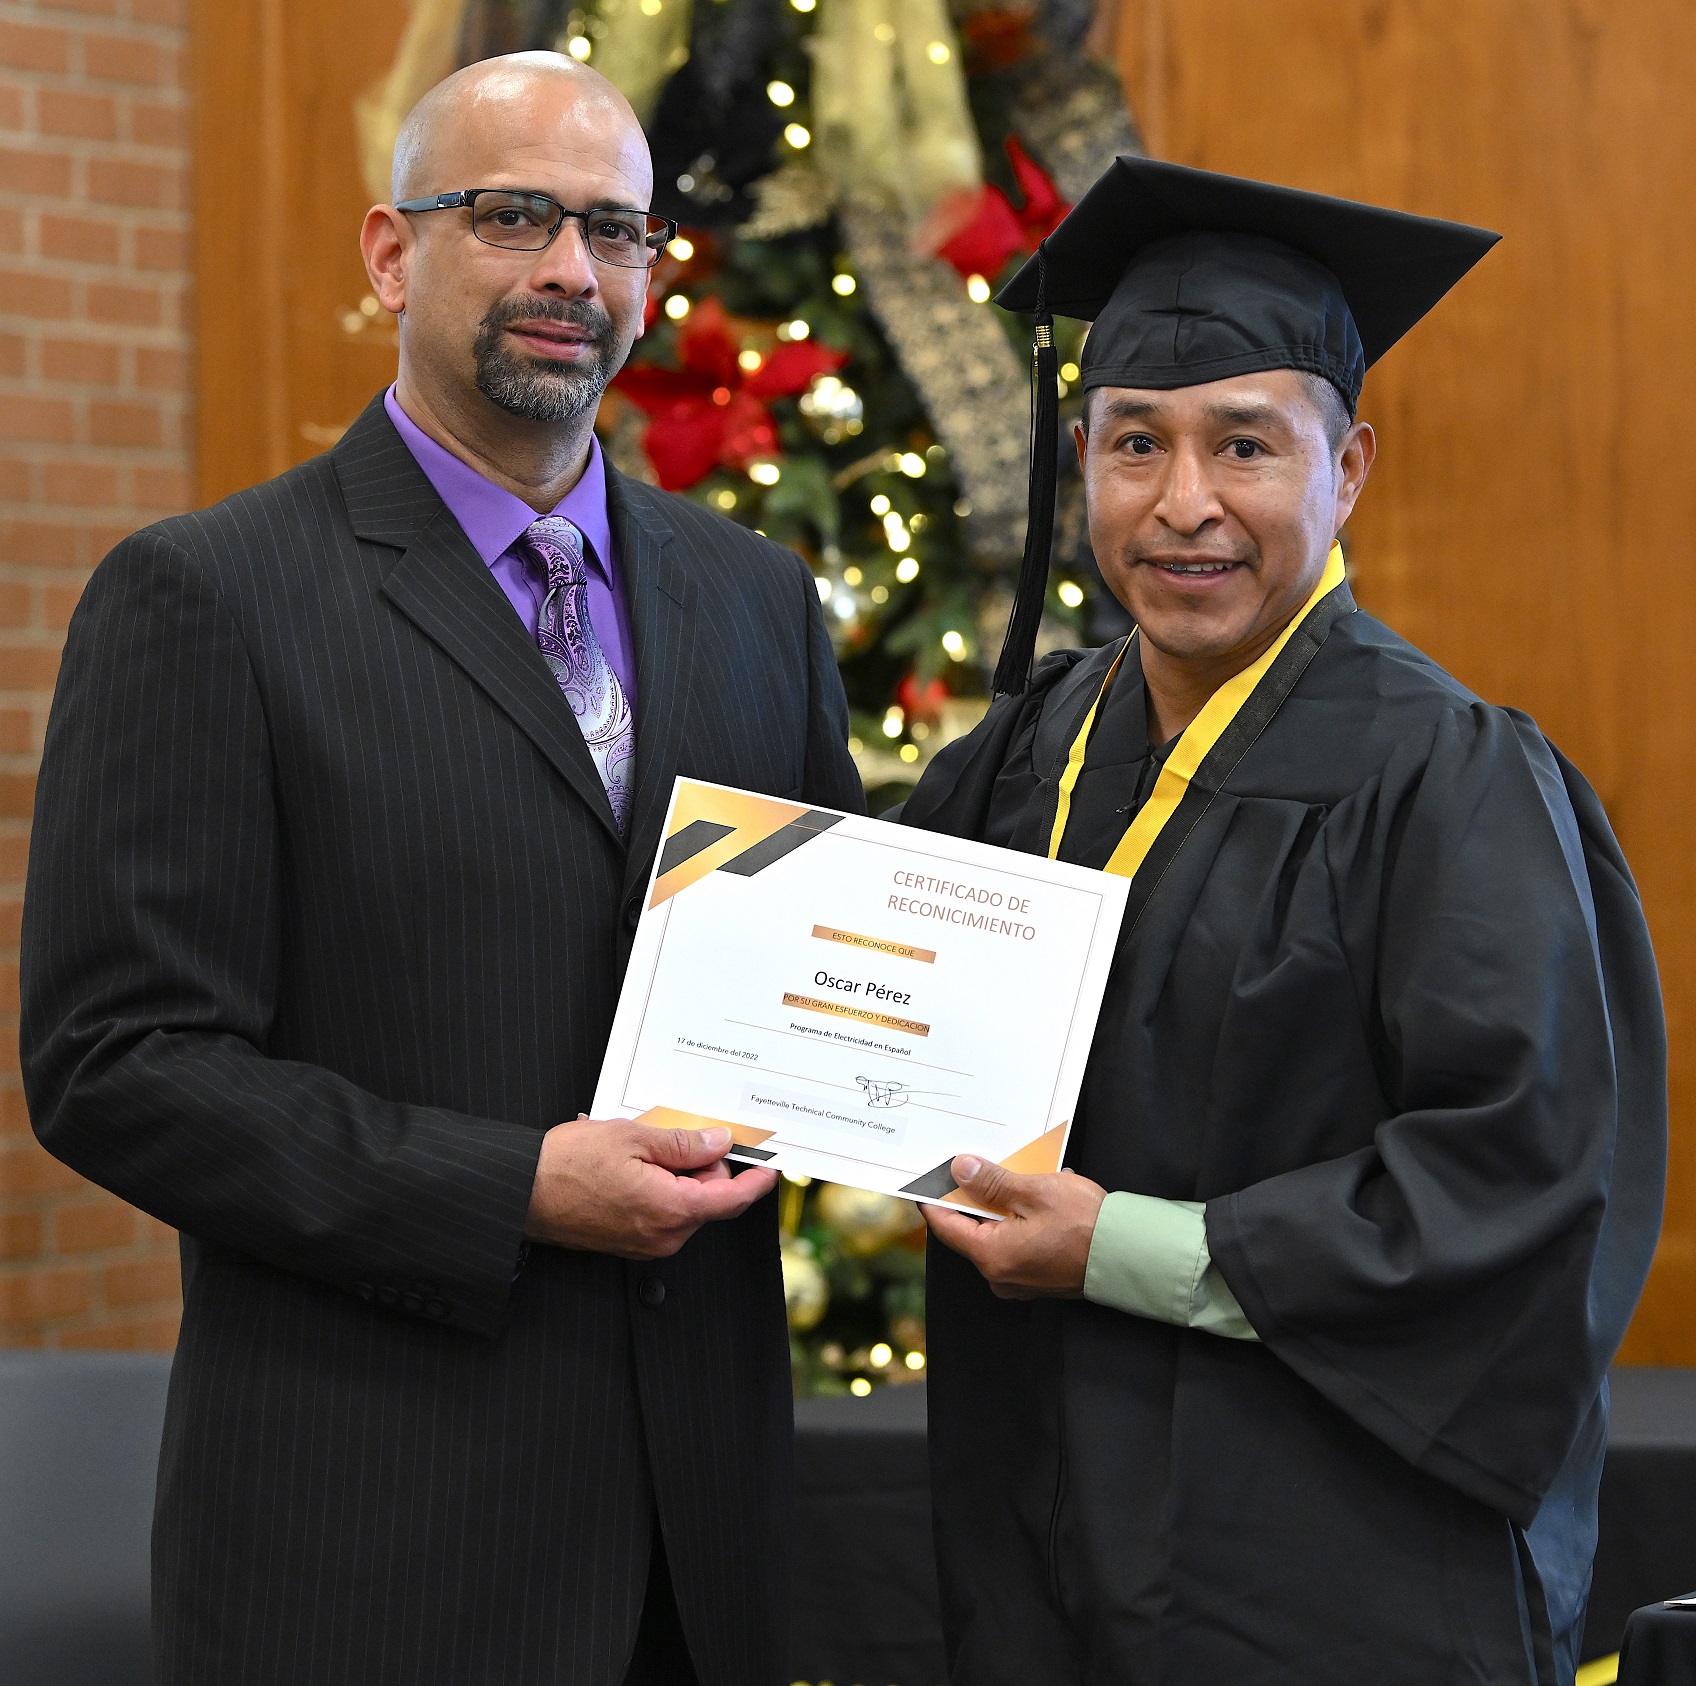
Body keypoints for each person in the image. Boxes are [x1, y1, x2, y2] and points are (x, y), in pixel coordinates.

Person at [20, 52, 861, 1686]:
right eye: (512, 215)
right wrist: (515, 1187)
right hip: (374, 1553)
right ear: (391, 254)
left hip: (702, 1561)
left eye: (616, 230)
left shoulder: (758, 600)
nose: (571, 270)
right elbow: (115, 1066)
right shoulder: (210, 599)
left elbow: (830, 972)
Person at [904, 157, 1666, 1686]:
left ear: (1350, 467)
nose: (1185, 503)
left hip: (1331, 1565)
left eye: (1245, 444)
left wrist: (1116, 1246)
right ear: (1084, 461)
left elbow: (1519, 1185)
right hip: (1042, 1536)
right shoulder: (1026, 751)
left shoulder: (1452, 778)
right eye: (1136, 445)